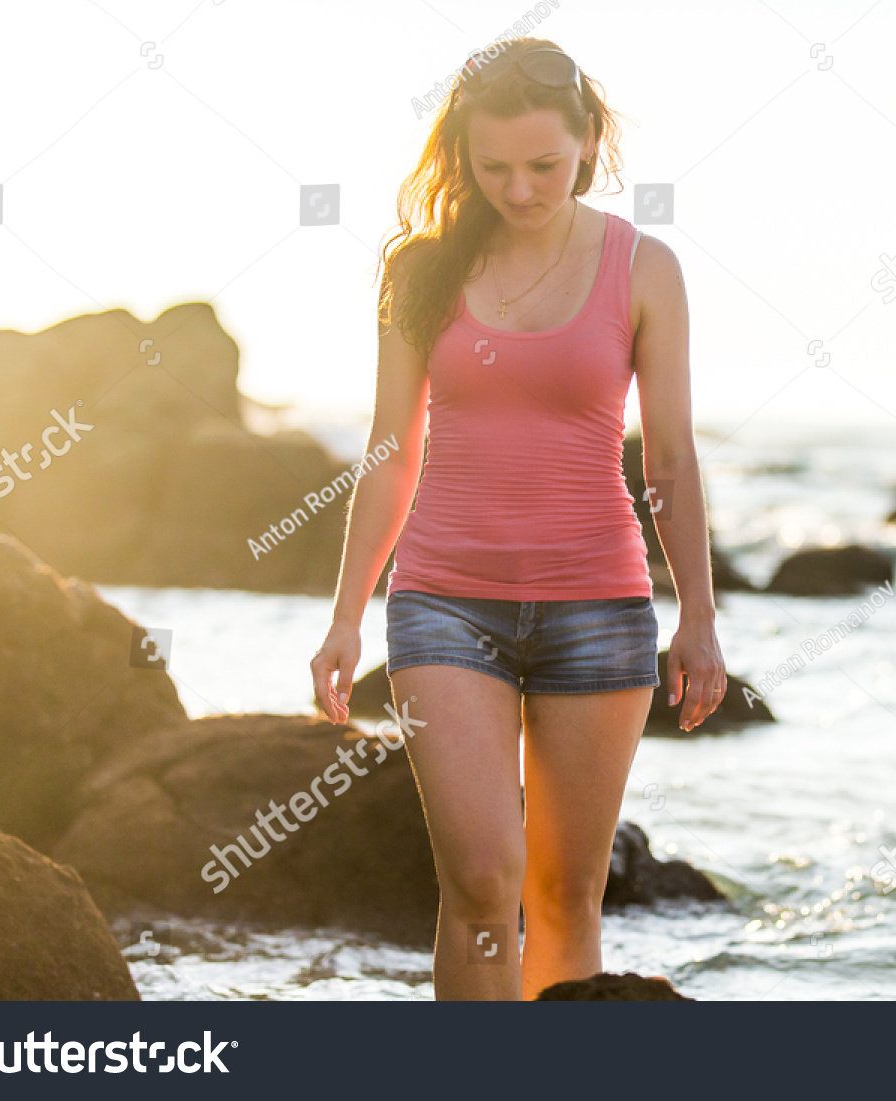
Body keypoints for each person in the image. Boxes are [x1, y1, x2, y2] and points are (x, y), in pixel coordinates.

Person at [309, 37, 726, 1001]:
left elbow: (668, 456)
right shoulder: (421, 268)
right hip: (443, 608)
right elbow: (391, 452)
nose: (522, 188)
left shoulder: (644, 267)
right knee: (484, 883)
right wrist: (344, 615)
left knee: (568, 891)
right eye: (494, 167)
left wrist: (698, 615)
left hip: (600, 611)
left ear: (588, 142)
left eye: (544, 165)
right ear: (461, 153)